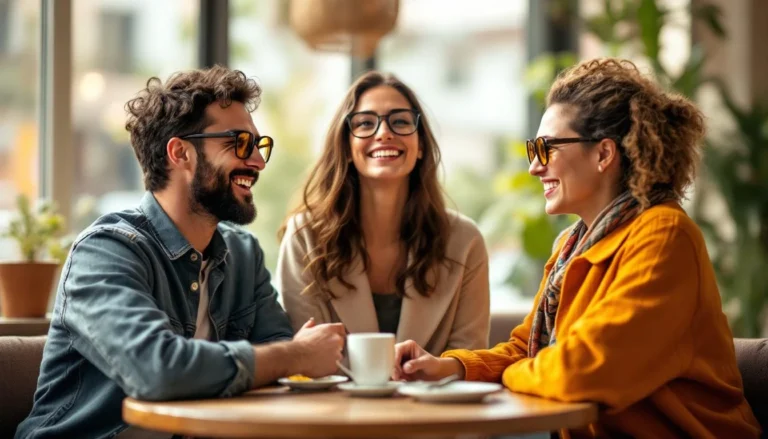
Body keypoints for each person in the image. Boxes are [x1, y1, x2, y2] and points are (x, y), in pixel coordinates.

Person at [391, 58, 761, 438]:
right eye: (533, 149)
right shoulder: (571, 244)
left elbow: (584, 371)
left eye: (546, 148)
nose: (535, 167)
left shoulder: (665, 236)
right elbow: (526, 350)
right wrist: (451, 367)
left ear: (603, 154)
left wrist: (513, 375)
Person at [16, 66, 345, 439]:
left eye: (258, 145)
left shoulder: (243, 255)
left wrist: (289, 359)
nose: (257, 161)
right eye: (239, 143)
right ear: (180, 153)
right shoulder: (106, 251)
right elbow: (157, 370)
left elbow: (277, 364)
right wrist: (297, 356)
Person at [277, 71, 490, 356]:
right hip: (333, 401)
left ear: (421, 146)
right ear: (347, 148)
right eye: (365, 123)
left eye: (400, 121)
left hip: (433, 400)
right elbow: (307, 356)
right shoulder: (305, 236)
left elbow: (469, 357)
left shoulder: (465, 241)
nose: (384, 133)